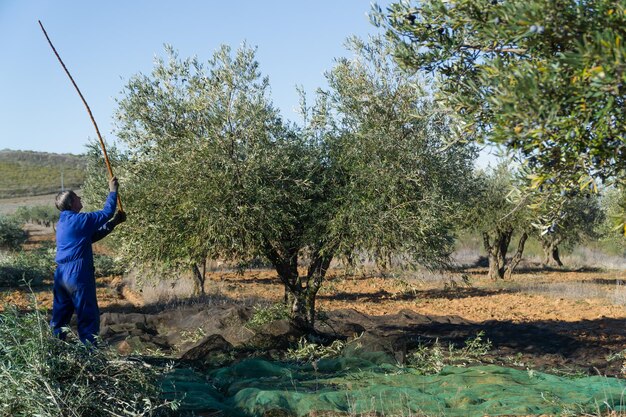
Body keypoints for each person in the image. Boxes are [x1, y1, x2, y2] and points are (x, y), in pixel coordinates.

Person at [51, 177, 126, 346]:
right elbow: (106, 212)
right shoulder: (79, 220)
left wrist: (114, 223)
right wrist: (113, 190)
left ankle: (53, 351)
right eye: (77, 197)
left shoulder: (63, 222)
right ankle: (90, 354)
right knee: (87, 315)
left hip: (61, 275)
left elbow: (91, 237)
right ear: (71, 203)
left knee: (60, 318)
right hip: (77, 273)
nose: (80, 199)